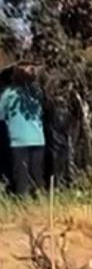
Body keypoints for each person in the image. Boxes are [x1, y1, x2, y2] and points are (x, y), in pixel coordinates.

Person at [0, 63, 46, 195]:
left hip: (19, 140)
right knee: (37, 174)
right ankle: (40, 200)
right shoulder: (36, 93)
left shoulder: (9, 94)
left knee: (22, 176)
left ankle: (23, 203)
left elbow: (1, 115)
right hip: (38, 138)